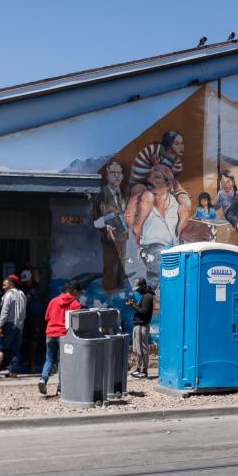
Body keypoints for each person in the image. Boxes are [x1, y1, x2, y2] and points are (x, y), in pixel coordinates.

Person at [38, 281, 83, 395]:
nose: (77, 295)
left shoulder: (53, 301)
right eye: (77, 293)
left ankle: (43, 379)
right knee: (62, 361)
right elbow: (76, 324)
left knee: (49, 358)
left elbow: (47, 317)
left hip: (50, 333)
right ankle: (60, 389)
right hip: (64, 335)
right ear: (74, 292)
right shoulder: (75, 304)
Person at [93, 160, 129, 292]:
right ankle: (108, 294)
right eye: (113, 173)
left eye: (119, 173)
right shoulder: (101, 196)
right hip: (109, 239)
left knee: (122, 269)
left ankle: (120, 292)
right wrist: (108, 221)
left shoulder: (125, 194)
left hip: (123, 238)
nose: (117, 176)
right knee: (109, 269)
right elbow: (96, 222)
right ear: (107, 176)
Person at [0, 275, 27, 378]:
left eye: (5, 285)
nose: (3, 287)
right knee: (15, 349)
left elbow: (4, 311)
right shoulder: (22, 294)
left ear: (11, 284)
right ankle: (13, 372)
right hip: (19, 325)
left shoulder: (9, 294)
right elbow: (24, 312)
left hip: (8, 324)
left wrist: (0, 326)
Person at [126, 278, 154, 379]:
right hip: (139, 326)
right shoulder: (144, 296)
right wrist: (134, 305)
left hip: (142, 326)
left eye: (138, 288)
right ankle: (139, 368)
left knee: (142, 348)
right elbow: (141, 310)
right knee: (138, 349)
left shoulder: (147, 296)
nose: (137, 290)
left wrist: (133, 305)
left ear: (143, 286)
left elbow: (144, 312)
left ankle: (144, 370)